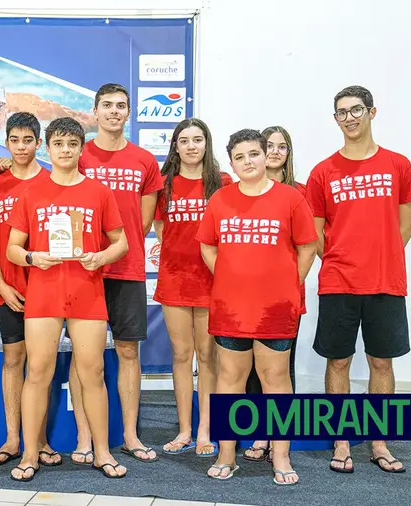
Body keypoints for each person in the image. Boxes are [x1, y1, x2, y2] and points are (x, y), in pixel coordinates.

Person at [6, 117, 129, 482]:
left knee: (92, 372)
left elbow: (121, 242)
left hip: (87, 291)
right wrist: (32, 258)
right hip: (44, 292)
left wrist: (102, 257)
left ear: (80, 148)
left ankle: (102, 452)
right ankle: (29, 455)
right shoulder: (31, 192)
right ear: (48, 147)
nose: (65, 151)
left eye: (72, 144)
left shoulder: (98, 192)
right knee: (38, 372)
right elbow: (13, 248)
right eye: (58, 144)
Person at [306, 85, 411, 474]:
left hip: (386, 281)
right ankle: (341, 442)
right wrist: (342, 260)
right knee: (338, 361)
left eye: (356, 109)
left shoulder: (398, 165)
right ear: (335, 119)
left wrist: (380, 257)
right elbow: (316, 232)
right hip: (338, 281)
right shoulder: (323, 171)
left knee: (381, 362)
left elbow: (406, 225)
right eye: (341, 112)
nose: (349, 117)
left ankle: (379, 442)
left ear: (372, 113)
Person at [196, 128, 317, 485]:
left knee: (275, 382)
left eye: (253, 154)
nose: (247, 162)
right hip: (230, 309)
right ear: (231, 163)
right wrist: (230, 276)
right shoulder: (220, 199)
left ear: (266, 156)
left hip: (276, 309)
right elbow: (208, 245)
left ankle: (281, 457)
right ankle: (226, 454)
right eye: (239, 157)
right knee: (230, 381)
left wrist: (286, 282)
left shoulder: (291, 199)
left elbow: (308, 246)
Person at [65, 83, 163, 464]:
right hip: (82, 270)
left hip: (126, 268)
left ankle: (130, 435)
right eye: (106, 105)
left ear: (129, 112)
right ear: (94, 110)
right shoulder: (80, 153)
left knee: (127, 351)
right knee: (81, 356)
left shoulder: (144, 160)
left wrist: (115, 250)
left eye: (121, 106)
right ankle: (85, 438)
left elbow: (144, 220)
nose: (114, 112)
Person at [0, 112, 61, 467]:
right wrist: (0, 280)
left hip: (48, 288)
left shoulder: (51, 179)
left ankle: (39, 439)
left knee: (41, 364)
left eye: (29, 140)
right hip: (9, 285)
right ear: (6, 142)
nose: (22, 147)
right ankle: (14, 438)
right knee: (14, 360)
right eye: (15, 140)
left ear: (38, 143)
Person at [152, 118, 231, 457]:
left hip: (213, 280)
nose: (191, 146)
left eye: (198, 140)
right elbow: (159, 226)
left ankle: (205, 430)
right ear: (176, 146)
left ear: (206, 144)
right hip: (174, 279)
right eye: (184, 141)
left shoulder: (222, 183)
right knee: (182, 356)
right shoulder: (164, 183)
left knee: (208, 357)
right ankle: (184, 429)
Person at [243, 125, 306, 463]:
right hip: (245, 300)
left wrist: (286, 286)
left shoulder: (300, 192)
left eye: (283, 147)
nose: (275, 152)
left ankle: (279, 439)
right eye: (269, 145)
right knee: (251, 372)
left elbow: (307, 247)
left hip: (284, 300)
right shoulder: (243, 191)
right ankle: (258, 434)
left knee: (282, 372)